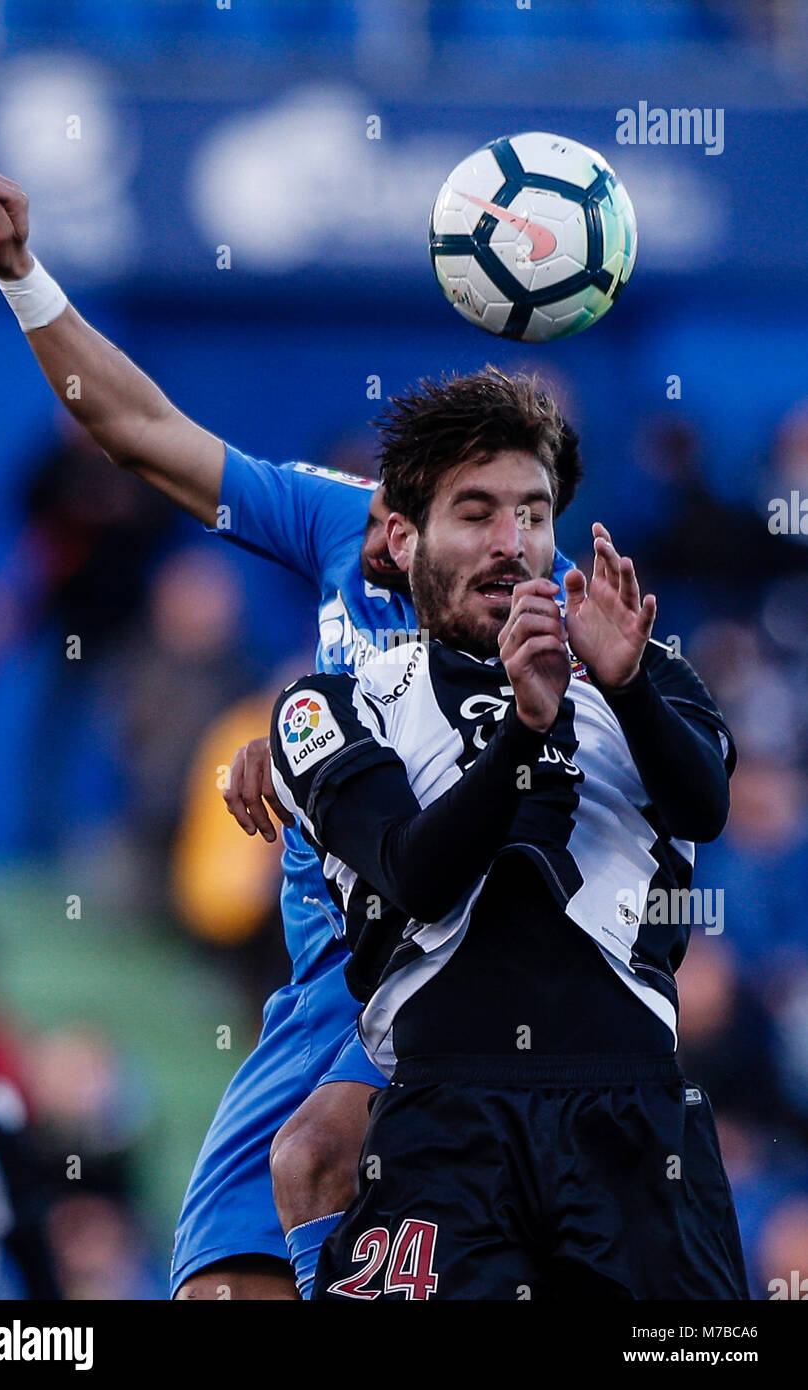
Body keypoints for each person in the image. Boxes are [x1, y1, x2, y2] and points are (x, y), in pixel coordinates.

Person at [0, 164, 583, 1298]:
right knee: (219, 1283)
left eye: (511, 510)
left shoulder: (542, 603)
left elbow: (541, 776)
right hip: (316, 983)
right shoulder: (343, 524)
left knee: (320, 1159)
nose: (485, 534)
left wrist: (303, 737)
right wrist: (22, 278)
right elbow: (141, 433)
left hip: (453, 978)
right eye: (449, 504)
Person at [269, 372, 749, 1299]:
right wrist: (526, 736)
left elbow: (706, 809)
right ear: (403, 539)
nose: (510, 543)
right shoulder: (333, 705)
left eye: (533, 513)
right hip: (443, 1124)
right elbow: (415, 872)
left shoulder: (647, 675)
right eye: (476, 513)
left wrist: (629, 685)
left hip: (635, 1120)